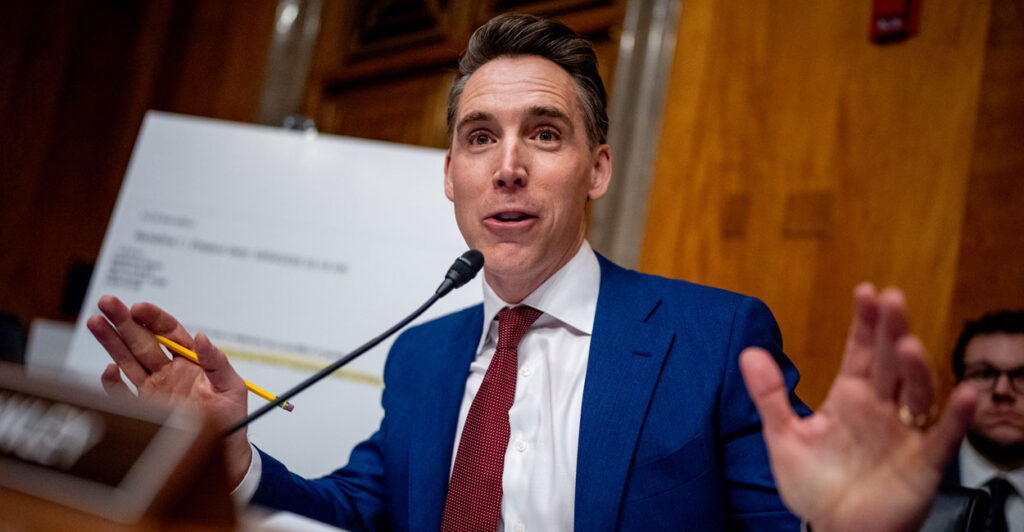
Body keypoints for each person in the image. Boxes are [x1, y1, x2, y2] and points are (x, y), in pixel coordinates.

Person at [88, 13, 977, 532]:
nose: (507, 166)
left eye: (543, 133)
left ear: (596, 168)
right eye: (480, 138)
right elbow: (371, 506)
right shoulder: (424, 355)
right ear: (451, 176)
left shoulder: (713, 340)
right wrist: (232, 451)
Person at [942, 311, 1024, 532]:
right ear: (956, 388)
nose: (1002, 390)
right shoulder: (914, 487)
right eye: (985, 375)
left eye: (1022, 376)